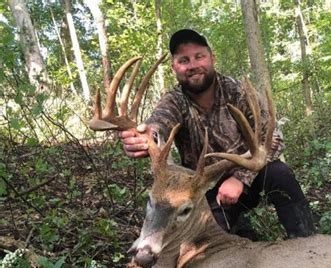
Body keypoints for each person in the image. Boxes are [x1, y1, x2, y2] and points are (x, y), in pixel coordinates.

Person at [119, 29, 315, 239]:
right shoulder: (174, 101)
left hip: (252, 177)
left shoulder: (238, 92)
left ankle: (307, 242)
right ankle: (242, 231)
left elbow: (273, 138)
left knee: (280, 174)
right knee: (211, 240)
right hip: (206, 188)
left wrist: (241, 178)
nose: (193, 65)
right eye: (184, 60)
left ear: (212, 58)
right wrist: (148, 137)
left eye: (199, 56)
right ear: (174, 67)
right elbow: (159, 123)